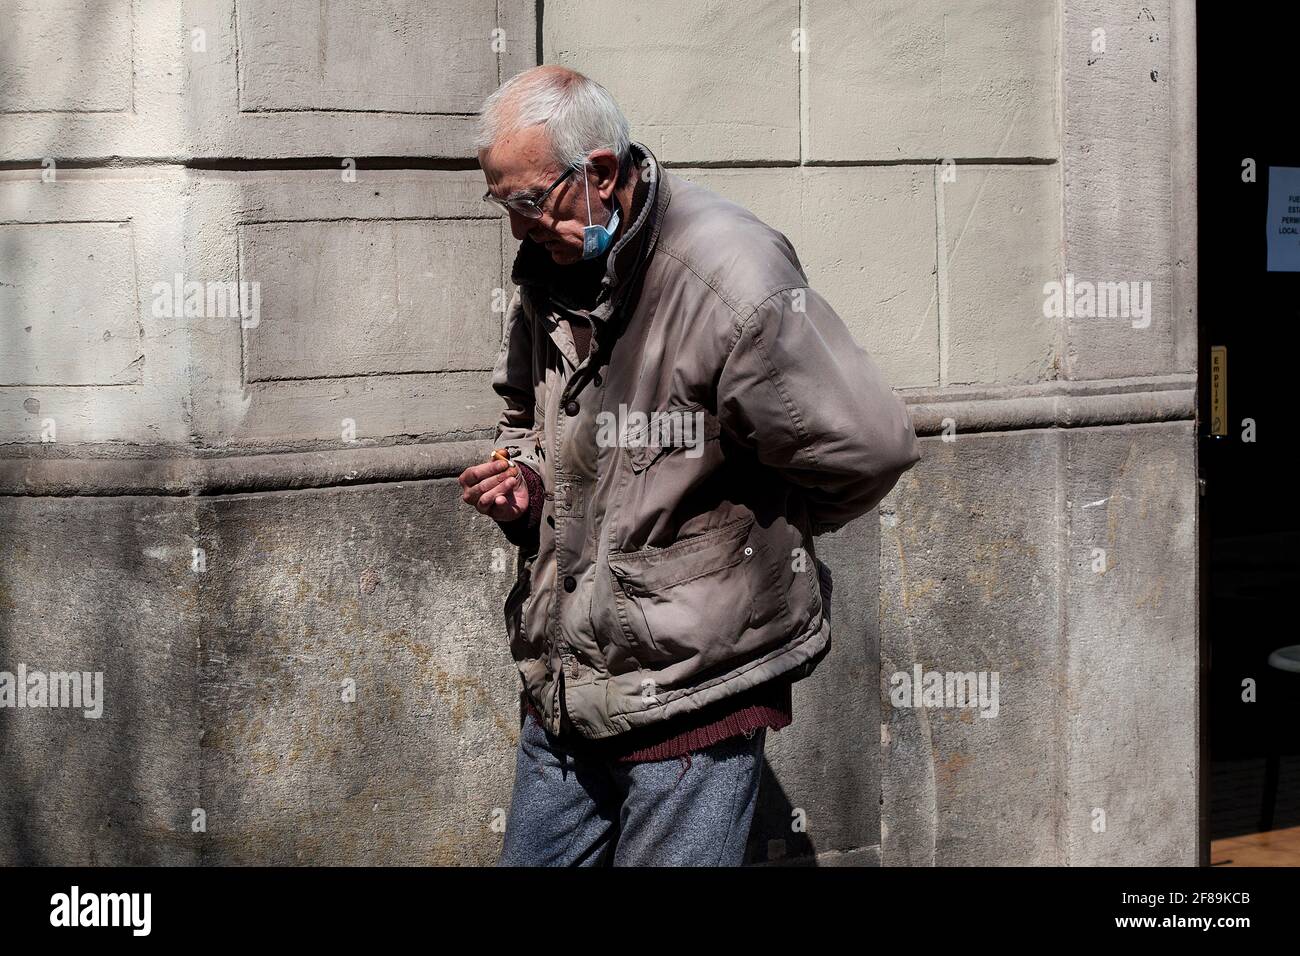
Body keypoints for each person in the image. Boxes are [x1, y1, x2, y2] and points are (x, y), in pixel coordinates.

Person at [458, 65, 921, 866]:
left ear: (601, 172)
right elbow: (524, 414)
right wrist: (525, 481)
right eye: (503, 205)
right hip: (565, 679)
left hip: (694, 690)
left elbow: (868, 448)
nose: (517, 229)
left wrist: (759, 531)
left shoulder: (733, 277)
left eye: (528, 202)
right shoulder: (550, 263)